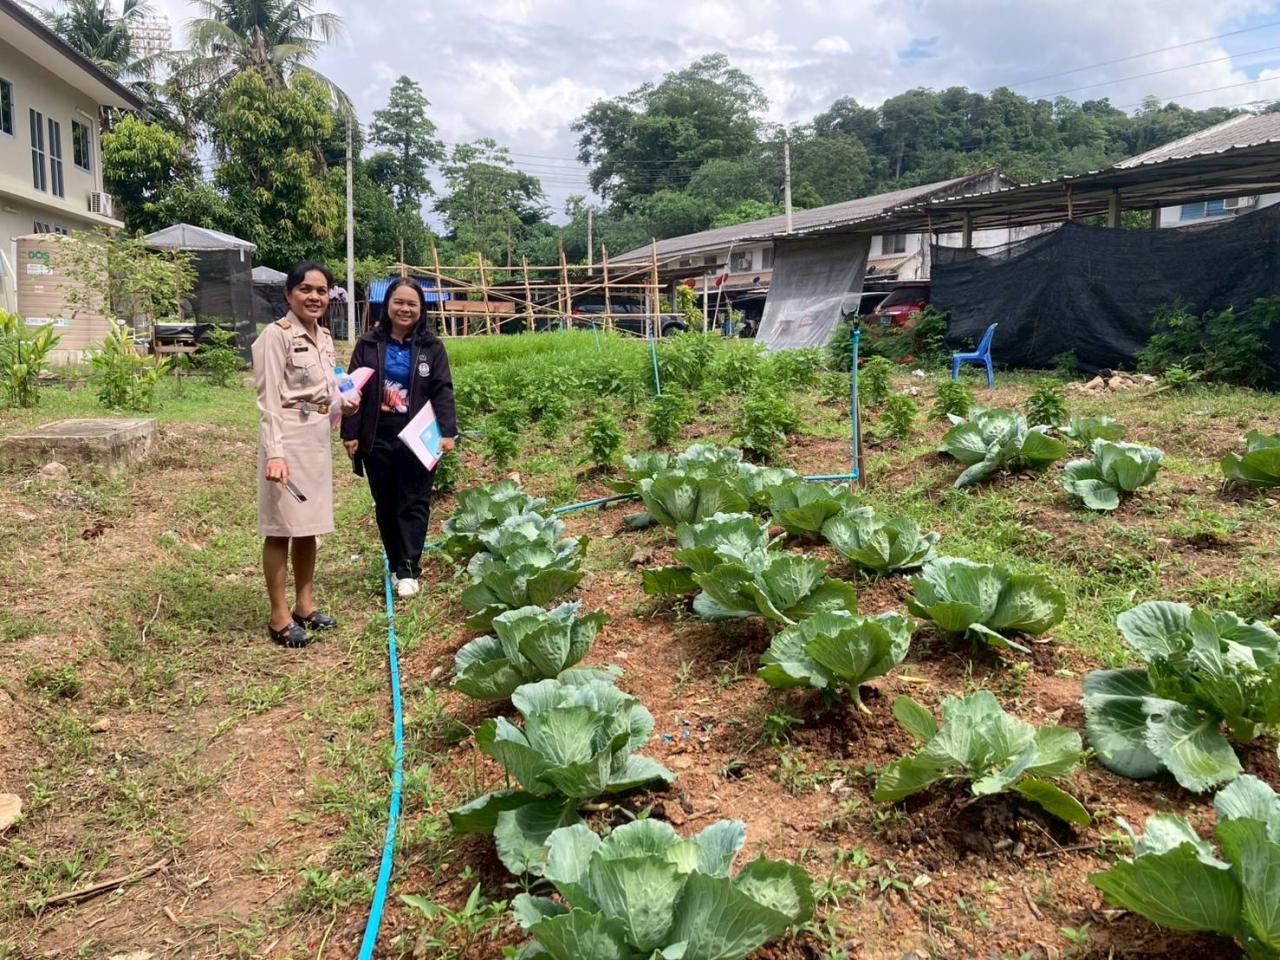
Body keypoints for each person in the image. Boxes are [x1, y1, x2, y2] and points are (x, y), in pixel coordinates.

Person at [252, 262, 358, 647]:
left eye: (321, 290)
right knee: (281, 528)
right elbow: (267, 403)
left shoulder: (324, 337)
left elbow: (326, 390)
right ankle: (279, 615)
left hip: (315, 438)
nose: (314, 297)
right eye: (306, 289)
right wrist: (274, 455)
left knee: (309, 527)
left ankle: (305, 605)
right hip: (286, 438)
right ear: (288, 294)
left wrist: (342, 405)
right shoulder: (275, 336)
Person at [342, 278, 457, 598]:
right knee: (386, 503)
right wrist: (350, 432)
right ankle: (394, 563)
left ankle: (409, 568)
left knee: (415, 501)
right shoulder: (368, 344)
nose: (405, 309)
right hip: (377, 434)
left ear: (421, 310)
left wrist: (448, 431)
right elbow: (352, 390)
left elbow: (442, 389)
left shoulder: (431, 347)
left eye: (412, 304)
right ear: (387, 305)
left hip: (419, 435)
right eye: (399, 302)